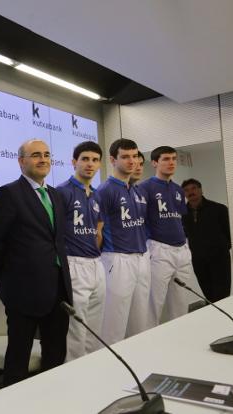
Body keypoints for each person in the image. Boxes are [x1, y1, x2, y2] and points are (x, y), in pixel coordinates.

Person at [0, 139, 72, 386]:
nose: (43, 159)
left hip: (58, 290)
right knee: (18, 359)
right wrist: (8, 278)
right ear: (21, 161)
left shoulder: (55, 195)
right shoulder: (8, 194)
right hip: (23, 292)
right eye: (35, 155)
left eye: (46, 155)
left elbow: (57, 241)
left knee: (56, 354)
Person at [56, 141, 105, 361]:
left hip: (96, 264)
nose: (90, 164)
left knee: (94, 330)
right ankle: (73, 379)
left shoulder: (96, 195)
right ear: (74, 162)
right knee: (76, 330)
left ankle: (92, 374)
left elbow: (98, 230)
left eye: (95, 160)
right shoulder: (62, 192)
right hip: (73, 264)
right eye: (85, 159)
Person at [98, 139, 150, 345]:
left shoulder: (136, 191)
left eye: (135, 156)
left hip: (141, 259)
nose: (132, 161)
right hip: (117, 259)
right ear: (112, 159)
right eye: (125, 156)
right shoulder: (105, 190)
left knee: (140, 325)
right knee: (113, 326)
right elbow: (97, 231)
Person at [138, 146, 195, 325]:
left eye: (174, 159)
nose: (171, 162)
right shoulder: (144, 187)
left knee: (181, 302)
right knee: (154, 303)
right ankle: (148, 342)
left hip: (181, 250)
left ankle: (179, 338)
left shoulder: (178, 190)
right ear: (155, 162)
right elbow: (140, 220)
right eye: (166, 159)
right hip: (159, 249)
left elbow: (179, 218)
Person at [182, 178, 232, 302]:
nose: (190, 192)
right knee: (209, 297)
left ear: (201, 190)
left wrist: (221, 248)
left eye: (194, 188)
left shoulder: (219, 209)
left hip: (219, 259)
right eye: (187, 190)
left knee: (222, 296)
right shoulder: (182, 214)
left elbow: (229, 234)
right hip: (199, 261)